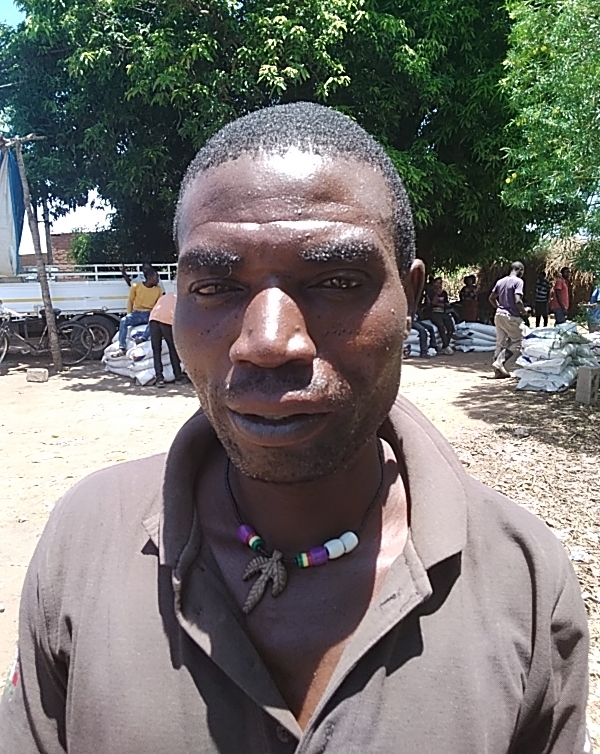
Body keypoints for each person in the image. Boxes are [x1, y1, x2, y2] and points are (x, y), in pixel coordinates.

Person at [1, 103, 589, 753]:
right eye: (216, 287)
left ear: (410, 298)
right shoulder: (83, 540)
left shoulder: (523, 579)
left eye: (336, 281)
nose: (268, 342)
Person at [112, 267, 163, 356]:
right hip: (137, 313)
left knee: (154, 321)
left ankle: (143, 338)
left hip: (149, 313)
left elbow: (159, 305)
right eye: (156, 277)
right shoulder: (136, 286)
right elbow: (130, 301)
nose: (158, 280)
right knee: (123, 321)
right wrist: (129, 314)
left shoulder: (158, 289)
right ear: (150, 278)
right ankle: (122, 347)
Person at [489, 262, 527, 378]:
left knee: (500, 342)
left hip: (499, 315)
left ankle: (498, 371)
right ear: (519, 270)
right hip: (511, 316)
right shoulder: (518, 282)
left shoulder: (500, 281)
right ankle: (499, 362)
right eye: (522, 271)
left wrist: (499, 307)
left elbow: (491, 298)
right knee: (519, 341)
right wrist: (524, 311)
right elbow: (518, 301)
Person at [147, 291, 183, 387]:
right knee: (172, 348)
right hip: (167, 320)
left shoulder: (165, 296)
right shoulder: (180, 299)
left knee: (156, 350)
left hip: (153, 319)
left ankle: (159, 379)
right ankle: (178, 377)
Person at [425, 276, 454, 354]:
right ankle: (446, 346)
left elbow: (446, 304)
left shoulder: (444, 293)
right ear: (434, 284)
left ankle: (446, 344)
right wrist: (437, 295)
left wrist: (440, 304)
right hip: (434, 313)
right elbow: (432, 304)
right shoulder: (430, 293)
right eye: (437, 283)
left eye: (440, 283)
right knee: (441, 326)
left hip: (443, 313)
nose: (438, 285)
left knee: (451, 328)